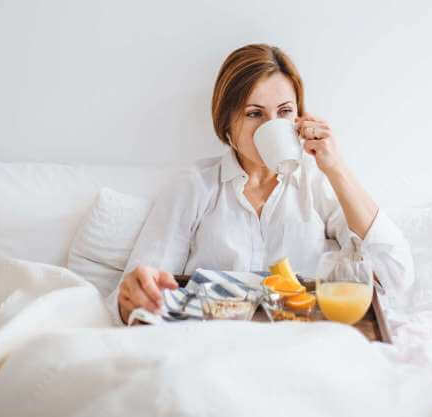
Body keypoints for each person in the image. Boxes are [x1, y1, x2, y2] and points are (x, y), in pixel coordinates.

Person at [108, 43, 414, 325]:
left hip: (302, 340)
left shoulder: (318, 183)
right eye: (254, 114)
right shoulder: (195, 186)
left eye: (284, 112)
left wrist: (336, 169)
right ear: (226, 122)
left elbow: (395, 277)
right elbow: (134, 296)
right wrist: (133, 297)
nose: (271, 126)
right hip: (215, 343)